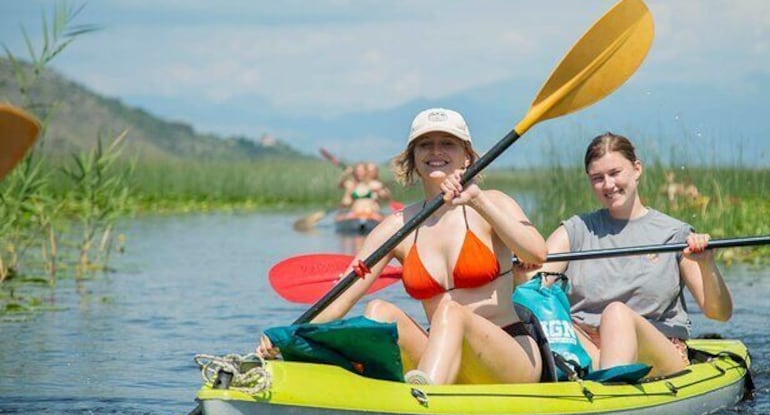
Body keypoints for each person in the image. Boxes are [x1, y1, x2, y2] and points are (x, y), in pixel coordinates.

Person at [259, 107, 547, 385]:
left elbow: (536, 253)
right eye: (425, 145)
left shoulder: (493, 202)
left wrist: (477, 201)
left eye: (447, 143)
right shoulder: (396, 227)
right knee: (379, 310)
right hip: (442, 353)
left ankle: (421, 398)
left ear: (467, 158)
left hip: (509, 352)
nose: (436, 151)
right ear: (413, 158)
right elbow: (342, 297)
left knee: (452, 311)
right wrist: (288, 337)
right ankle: (376, 391)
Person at [521, 132, 732, 378]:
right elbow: (533, 289)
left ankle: (609, 398)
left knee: (616, 313)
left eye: (614, 173)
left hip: (655, 350)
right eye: (597, 178)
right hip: (588, 346)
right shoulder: (575, 230)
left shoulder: (675, 234)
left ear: (637, 169)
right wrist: (518, 269)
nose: (608, 185)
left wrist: (707, 264)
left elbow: (719, 313)